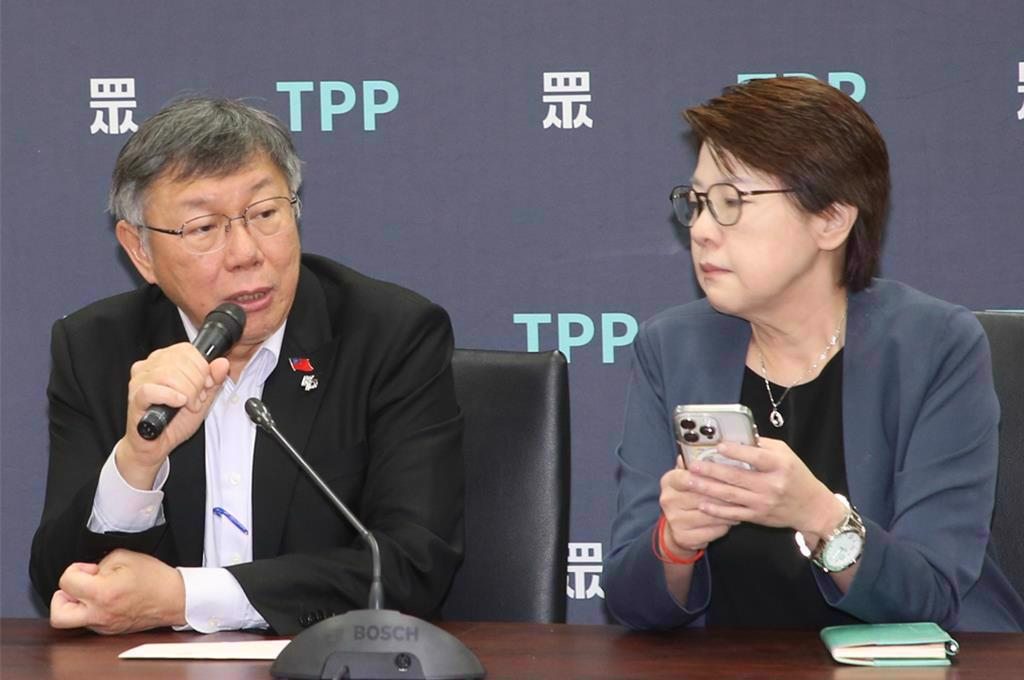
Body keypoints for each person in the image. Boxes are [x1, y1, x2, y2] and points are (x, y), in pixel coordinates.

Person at [29, 96, 464, 635]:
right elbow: (59, 579)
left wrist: (186, 598)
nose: (246, 253)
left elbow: (411, 563)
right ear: (140, 251)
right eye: (203, 228)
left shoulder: (389, 335)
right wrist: (137, 462)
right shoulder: (96, 348)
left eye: (264, 214)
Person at [604, 77, 1024, 631]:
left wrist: (819, 516)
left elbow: (929, 598)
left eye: (731, 202)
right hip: (731, 667)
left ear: (831, 220)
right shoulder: (672, 346)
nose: (702, 230)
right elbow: (631, 604)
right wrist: (674, 541)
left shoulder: (936, 346)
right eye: (699, 203)